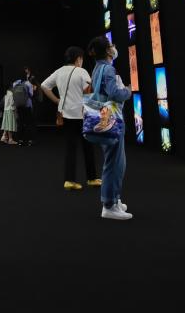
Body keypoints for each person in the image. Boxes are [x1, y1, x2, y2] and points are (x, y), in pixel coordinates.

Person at [85, 36, 132, 220]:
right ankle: (109, 205)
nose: (114, 47)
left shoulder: (97, 68)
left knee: (114, 161)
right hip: (112, 119)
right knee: (115, 163)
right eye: (111, 45)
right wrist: (127, 91)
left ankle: (114, 199)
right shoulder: (109, 69)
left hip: (103, 118)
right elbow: (115, 93)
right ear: (107, 50)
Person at [41, 47, 99, 191]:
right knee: (88, 146)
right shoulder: (81, 71)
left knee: (70, 147)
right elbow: (89, 92)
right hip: (82, 114)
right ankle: (92, 178)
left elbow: (44, 86)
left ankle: (69, 180)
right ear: (78, 58)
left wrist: (57, 100)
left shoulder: (59, 71)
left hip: (66, 114)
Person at [12, 68, 36, 146]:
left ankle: (20, 140)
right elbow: (31, 94)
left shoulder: (15, 83)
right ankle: (29, 140)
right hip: (27, 105)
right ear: (26, 75)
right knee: (29, 123)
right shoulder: (29, 84)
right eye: (28, 73)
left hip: (18, 105)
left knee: (20, 123)